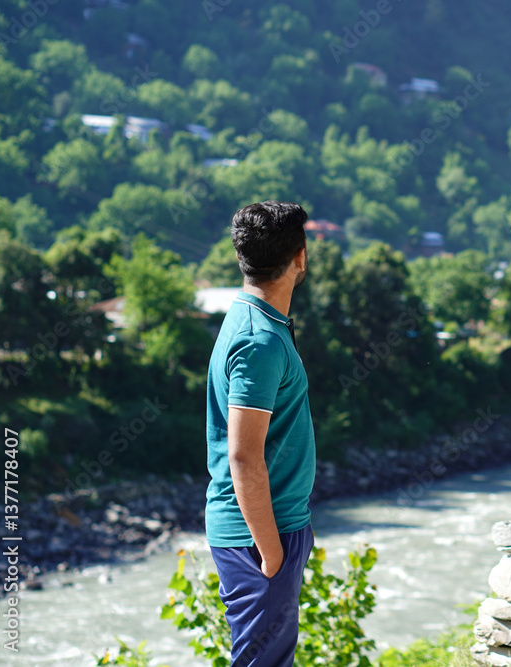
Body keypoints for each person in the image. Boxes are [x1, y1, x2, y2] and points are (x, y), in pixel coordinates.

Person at [205, 201, 316, 666]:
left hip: (269, 527)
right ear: (300, 257)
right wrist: (271, 553)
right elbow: (244, 457)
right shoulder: (259, 341)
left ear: (240, 257)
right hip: (259, 535)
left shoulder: (257, 321)